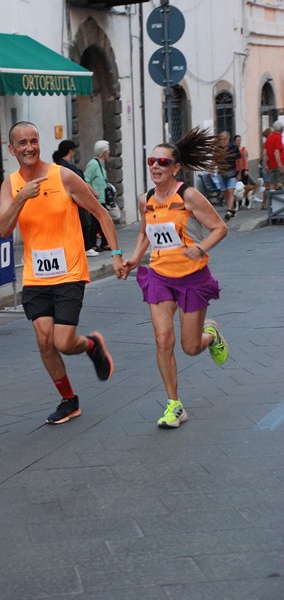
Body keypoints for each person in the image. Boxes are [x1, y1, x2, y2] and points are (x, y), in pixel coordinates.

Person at [0, 121, 124, 425]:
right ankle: (69, 401)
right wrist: (21, 197)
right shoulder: (10, 185)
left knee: (64, 343)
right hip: (35, 276)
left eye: (34, 141)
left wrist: (117, 254)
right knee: (44, 342)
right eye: (22, 143)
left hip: (69, 271)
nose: (30, 147)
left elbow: (101, 213)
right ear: (11, 149)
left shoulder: (63, 176)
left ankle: (91, 345)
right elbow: (3, 230)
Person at [121, 127, 228, 429]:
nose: (155, 166)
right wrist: (132, 258)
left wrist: (200, 248)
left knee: (190, 347)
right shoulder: (147, 200)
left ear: (176, 167)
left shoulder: (189, 196)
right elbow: (145, 232)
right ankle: (175, 404)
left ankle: (212, 334)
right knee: (162, 339)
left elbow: (220, 228)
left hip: (192, 278)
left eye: (163, 162)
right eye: (152, 161)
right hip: (159, 276)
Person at [52, 139, 98, 257]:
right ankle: (85, 247)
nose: (73, 153)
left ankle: (85, 246)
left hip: (76, 196)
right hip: (71, 196)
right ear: (70, 151)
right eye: (73, 151)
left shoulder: (67, 164)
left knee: (84, 220)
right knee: (83, 221)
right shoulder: (63, 165)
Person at [84, 140, 112, 252]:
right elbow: (86, 180)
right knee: (97, 222)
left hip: (102, 198)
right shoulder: (93, 164)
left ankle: (102, 243)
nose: (109, 152)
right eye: (107, 150)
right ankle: (93, 244)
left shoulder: (101, 163)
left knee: (101, 221)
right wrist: (94, 192)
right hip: (96, 198)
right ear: (104, 152)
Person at [216, 131, 241, 220]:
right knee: (226, 192)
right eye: (221, 139)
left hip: (232, 173)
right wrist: (211, 168)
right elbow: (214, 159)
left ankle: (229, 210)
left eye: (224, 139)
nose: (223, 141)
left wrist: (239, 172)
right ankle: (231, 210)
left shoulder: (233, 147)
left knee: (230, 191)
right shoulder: (217, 148)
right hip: (221, 173)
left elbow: (238, 160)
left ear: (228, 138)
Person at [263, 120, 284, 197]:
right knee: (280, 182)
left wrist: (266, 165)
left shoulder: (269, 138)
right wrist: (280, 165)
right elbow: (276, 152)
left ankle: (272, 203)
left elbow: (265, 153)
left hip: (271, 165)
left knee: (272, 184)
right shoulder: (278, 138)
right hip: (279, 164)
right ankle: (280, 204)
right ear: (281, 129)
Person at [261, 127, 273, 210]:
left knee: (269, 186)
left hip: (268, 166)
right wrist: (266, 165)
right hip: (267, 166)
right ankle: (265, 203)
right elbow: (265, 155)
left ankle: (266, 203)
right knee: (269, 186)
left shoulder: (267, 142)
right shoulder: (267, 143)